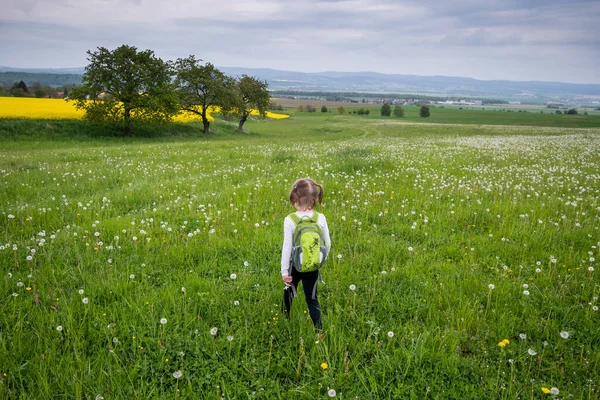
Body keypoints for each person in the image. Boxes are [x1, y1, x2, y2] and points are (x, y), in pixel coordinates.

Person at [281, 178, 331, 330]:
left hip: (294, 266)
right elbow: (327, 244)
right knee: (312, 299)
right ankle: (319, 331)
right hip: (313, 265)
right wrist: (320, 260)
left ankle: (284, 319)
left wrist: (284, 271)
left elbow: (287, 247)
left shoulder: (290, 219)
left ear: (294, 197)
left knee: (289, 292)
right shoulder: (320, 218)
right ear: (316, 197)